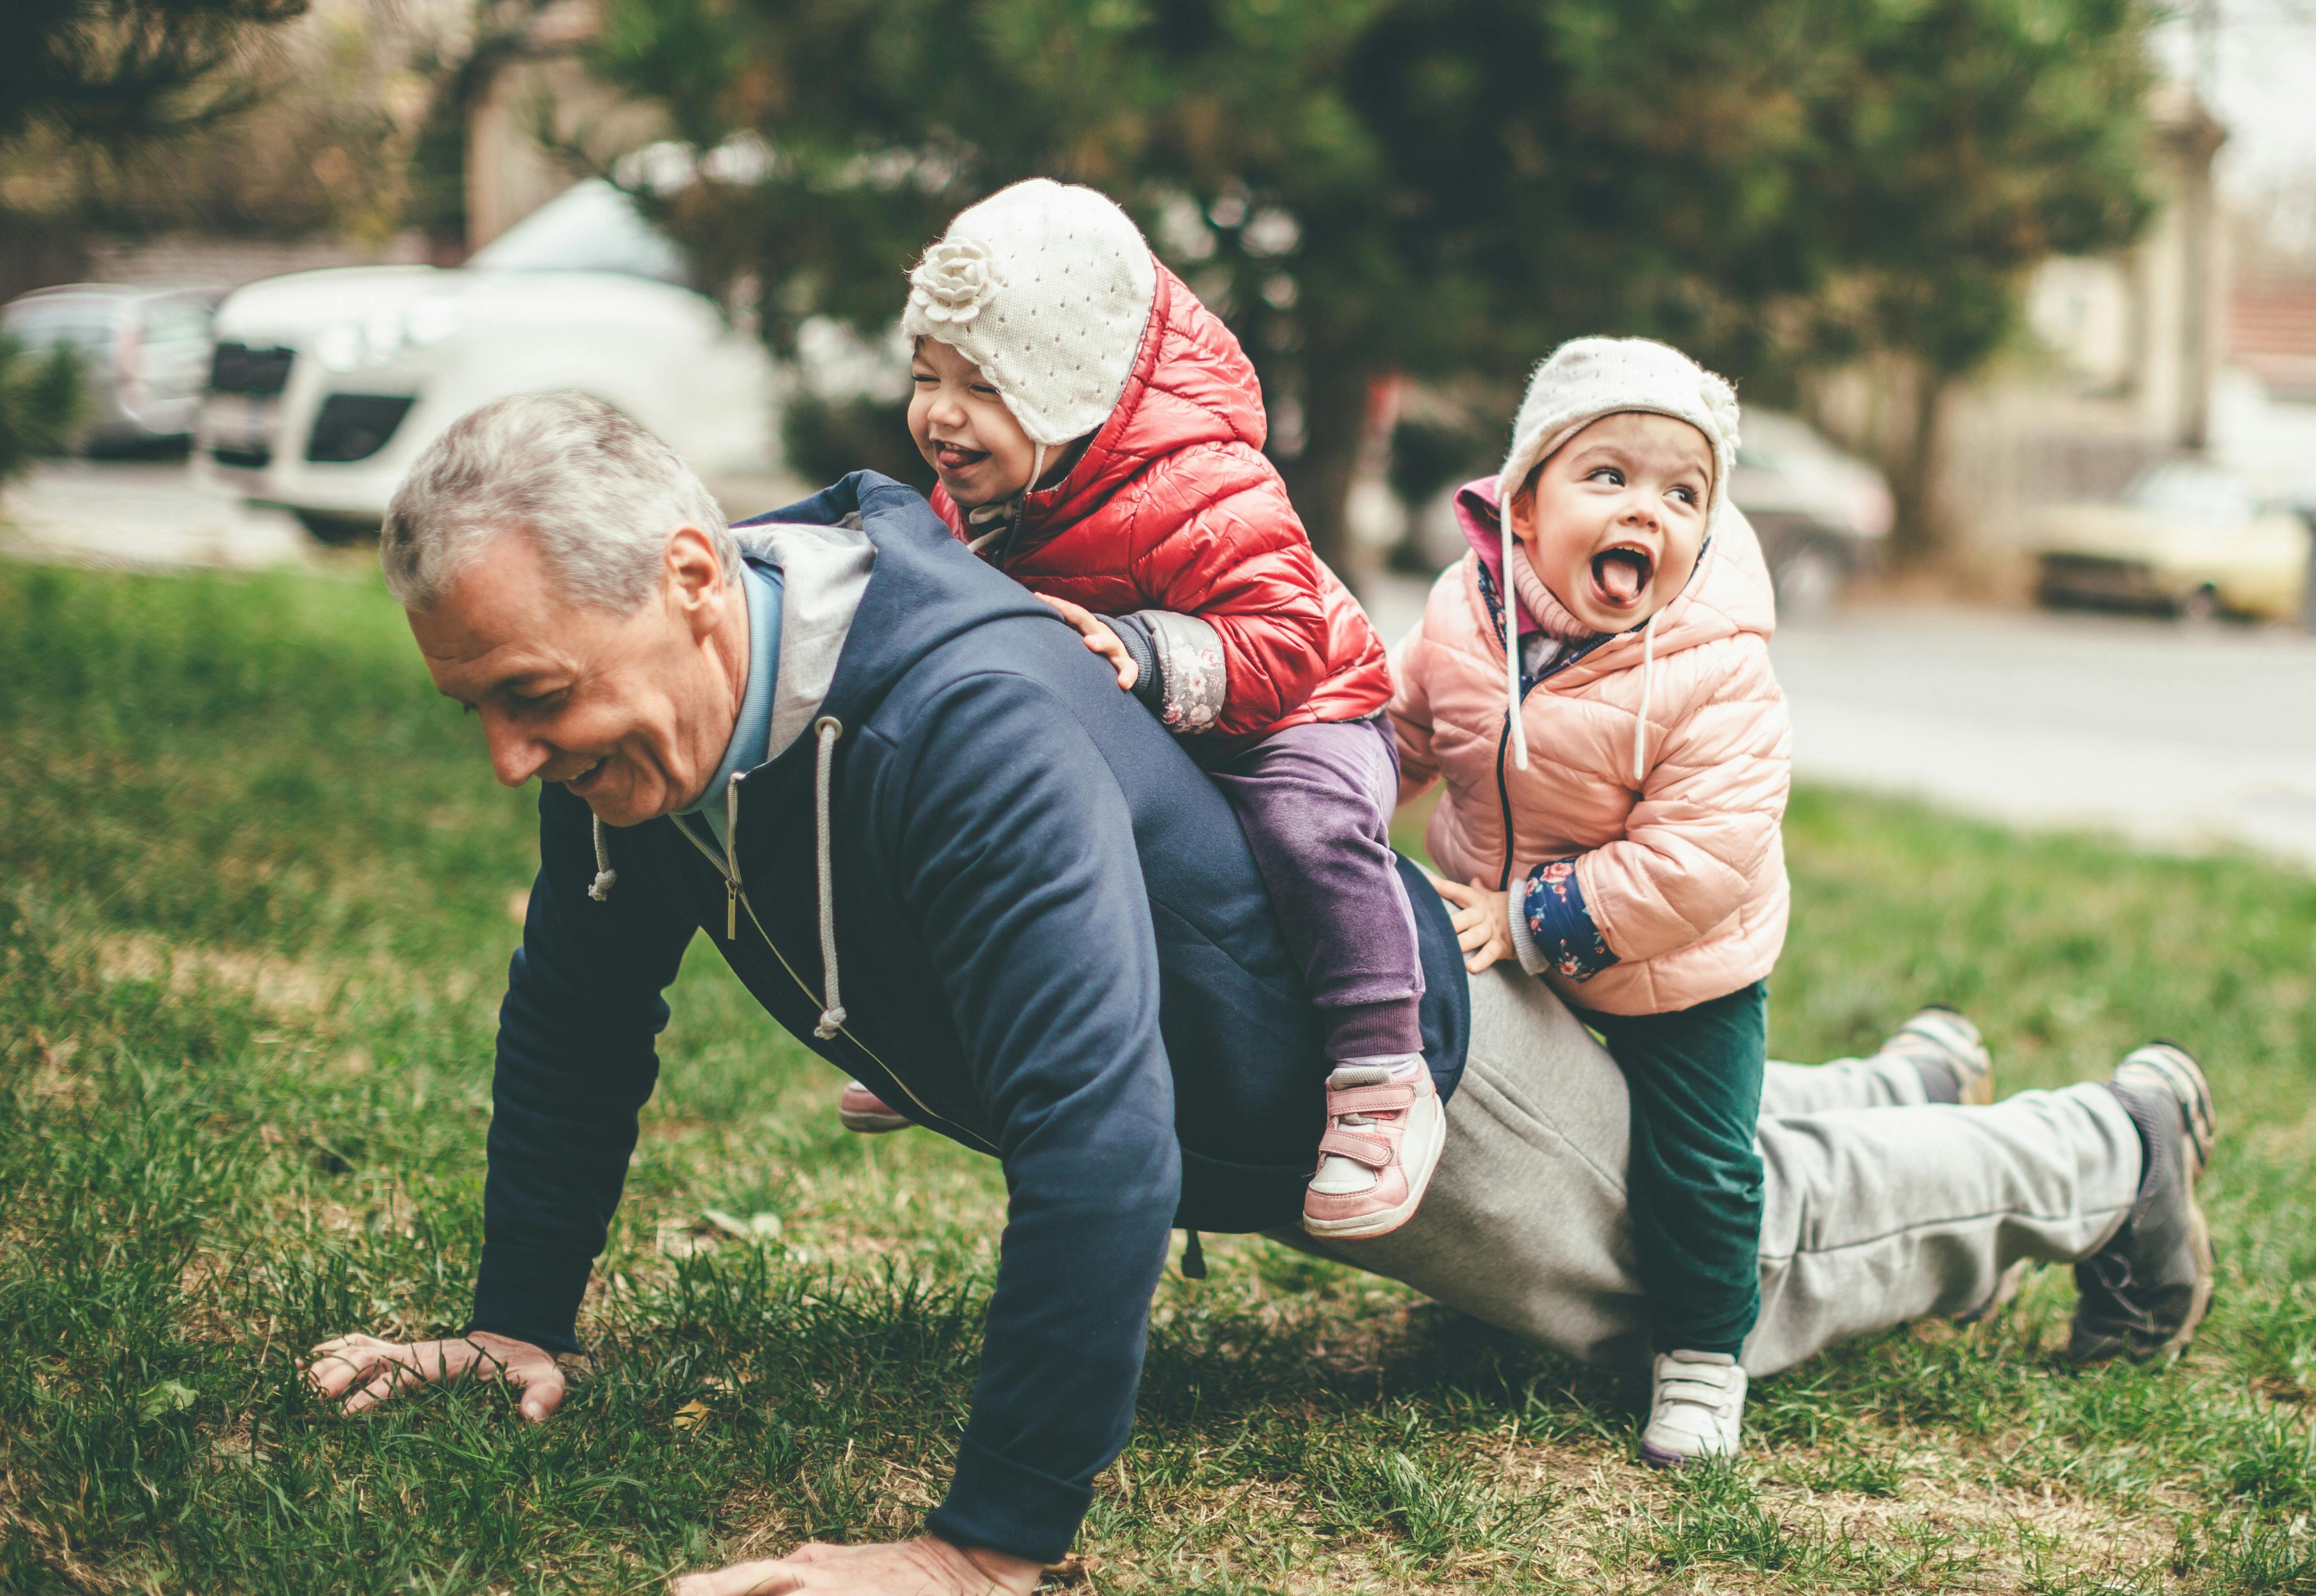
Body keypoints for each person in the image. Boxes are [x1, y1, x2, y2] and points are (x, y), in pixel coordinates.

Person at [303, 394, 2218, 1596]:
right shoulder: (658, 730)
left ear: (694, 581)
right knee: (1702, 1154)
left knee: (1736, 1267)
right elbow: (577, 1007)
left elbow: (1100, 1140)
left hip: (1407, 1080)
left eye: (532, 697)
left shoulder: (949, 718)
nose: (507, 757)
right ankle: (1895, 1086)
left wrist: (984, 1542)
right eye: (476, 705)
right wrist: (515, 1320)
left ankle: (2105, 1153)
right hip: (1305, 1073)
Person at [852, 176, 1436, 1241]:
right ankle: (953, 1028)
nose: (940, 412)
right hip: (1144, 709)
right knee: (991, 813)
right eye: (928, 372)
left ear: (1071, 385)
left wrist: (1144, 651)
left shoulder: (1209, 484)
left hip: (1296, 706)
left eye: (982, 384)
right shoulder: (990, 489)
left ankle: (1382, 1066)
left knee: (1308, 829)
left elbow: (1286, 638)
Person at [1392, 336, 1790, 1463]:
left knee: (1700, 1158)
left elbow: (1700, 857)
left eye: (1683, 492)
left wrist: (1527, 920)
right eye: (1607, 476)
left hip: (1680, 960)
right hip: (1497, 910)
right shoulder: (1465, 613)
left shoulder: (1717, 667)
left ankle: (1706, 1351)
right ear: (1521, 505)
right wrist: (1338, 788)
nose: (1646, 511)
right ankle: (1490, 1266)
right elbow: (1409, 730)